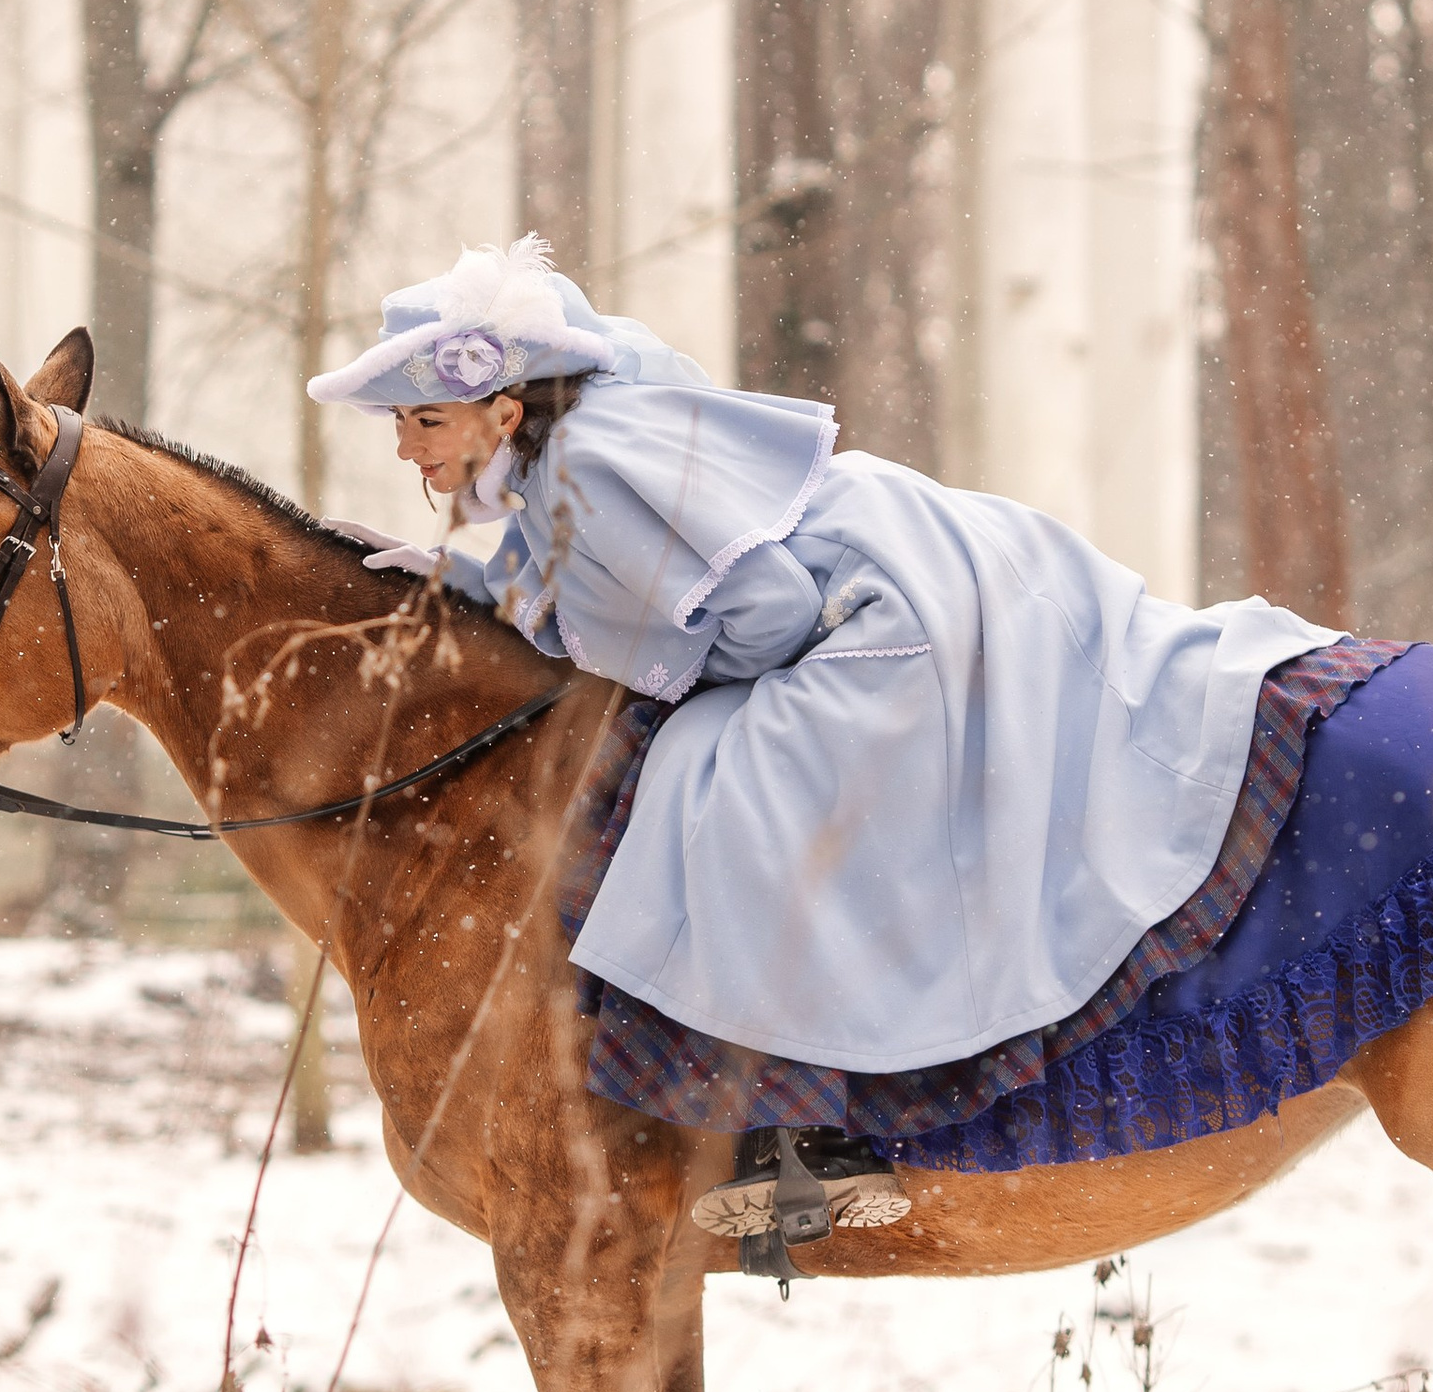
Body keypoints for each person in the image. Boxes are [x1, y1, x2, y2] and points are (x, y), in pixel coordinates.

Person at [310, 237, 1335, 1238]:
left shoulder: (586, 463)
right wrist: (451, 579)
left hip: (877, 616)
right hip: (904, 564)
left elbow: (768, 617)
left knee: (721, 800)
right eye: (399, 423)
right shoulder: (556, 461)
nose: (406, 446)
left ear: (501, 410)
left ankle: (819, 1137)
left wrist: (661, 685)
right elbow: (566, 579)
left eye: (425, 418)